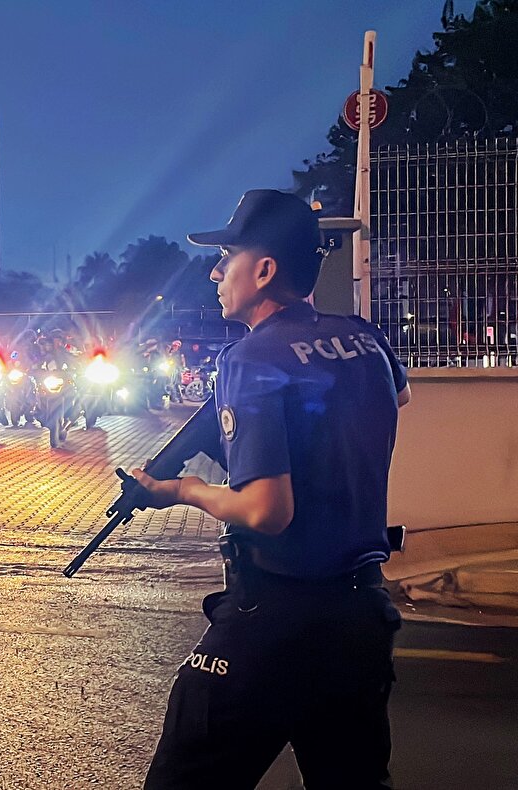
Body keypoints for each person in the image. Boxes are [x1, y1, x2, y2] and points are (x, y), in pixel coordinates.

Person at [136, 190, 411, 789]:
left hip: (273, 619)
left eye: (226, 258)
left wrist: (182, 489)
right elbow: (399, 395)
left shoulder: (250, 357)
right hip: (360, 619)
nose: (215, 273)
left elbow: (266, 510)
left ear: (263, 271)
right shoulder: (365, 339)